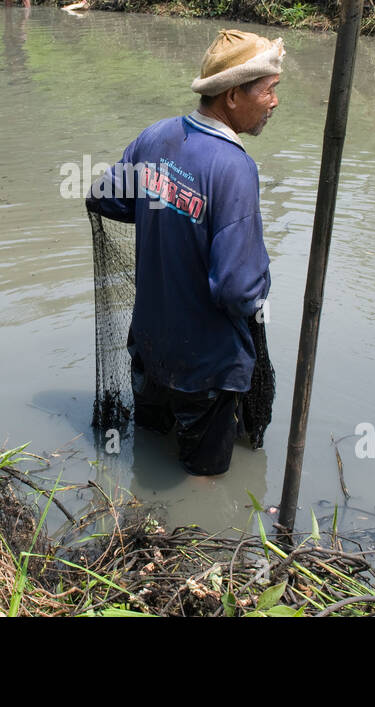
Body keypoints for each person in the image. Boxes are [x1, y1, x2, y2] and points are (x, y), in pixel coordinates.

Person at [86, 29, 282, 475]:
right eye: (269, 91)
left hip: (150, 349)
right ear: (233, 96)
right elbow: (238, 290)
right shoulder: (235, 169)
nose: (274, 103)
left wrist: (170, 210)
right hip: (206, 370)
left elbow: (103, 196)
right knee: (204, 486)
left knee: (148, 454)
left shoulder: (156, 137)